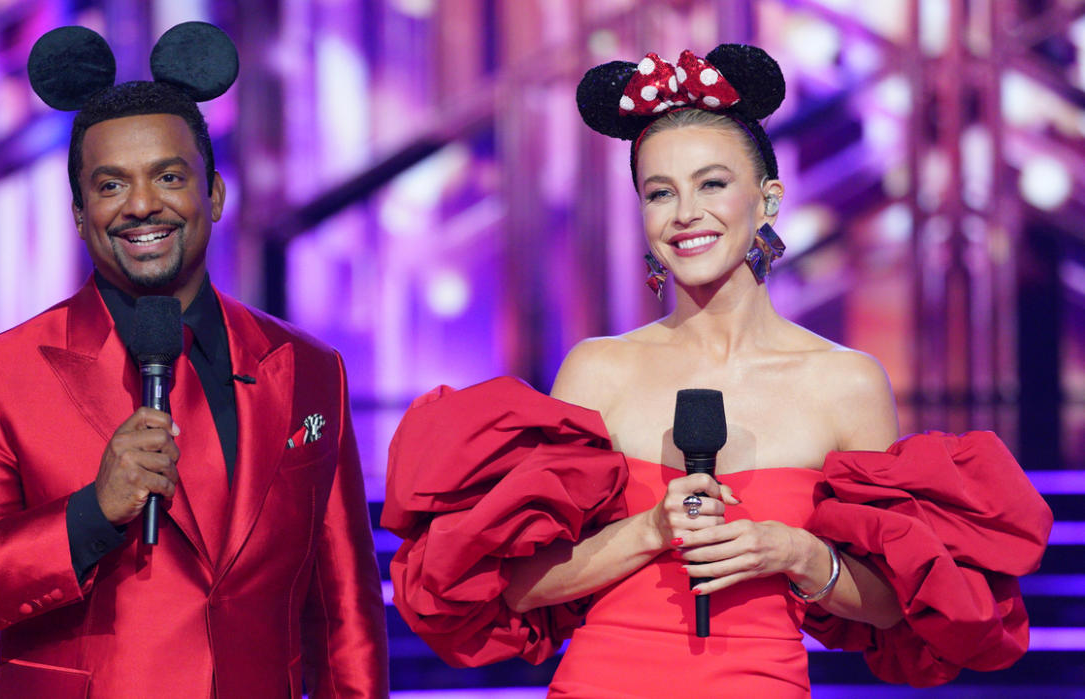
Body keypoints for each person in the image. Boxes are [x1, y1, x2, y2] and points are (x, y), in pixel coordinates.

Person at [382, 45, 1051, 697]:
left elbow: (887, 605)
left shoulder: (846, 382)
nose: (685, 214)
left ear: (768, 200)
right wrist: (648, 531)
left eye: (713, 183)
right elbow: (522, 584)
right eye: (659, 192)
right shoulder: (598, 368)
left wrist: (794, 552)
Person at [0, 23, 388, 699]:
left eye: (168, 175)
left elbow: (342, 613)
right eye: (110, 185)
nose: (141, 204)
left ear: (213, 194)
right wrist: (90, 514)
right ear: (78, 212)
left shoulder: (308, 367)